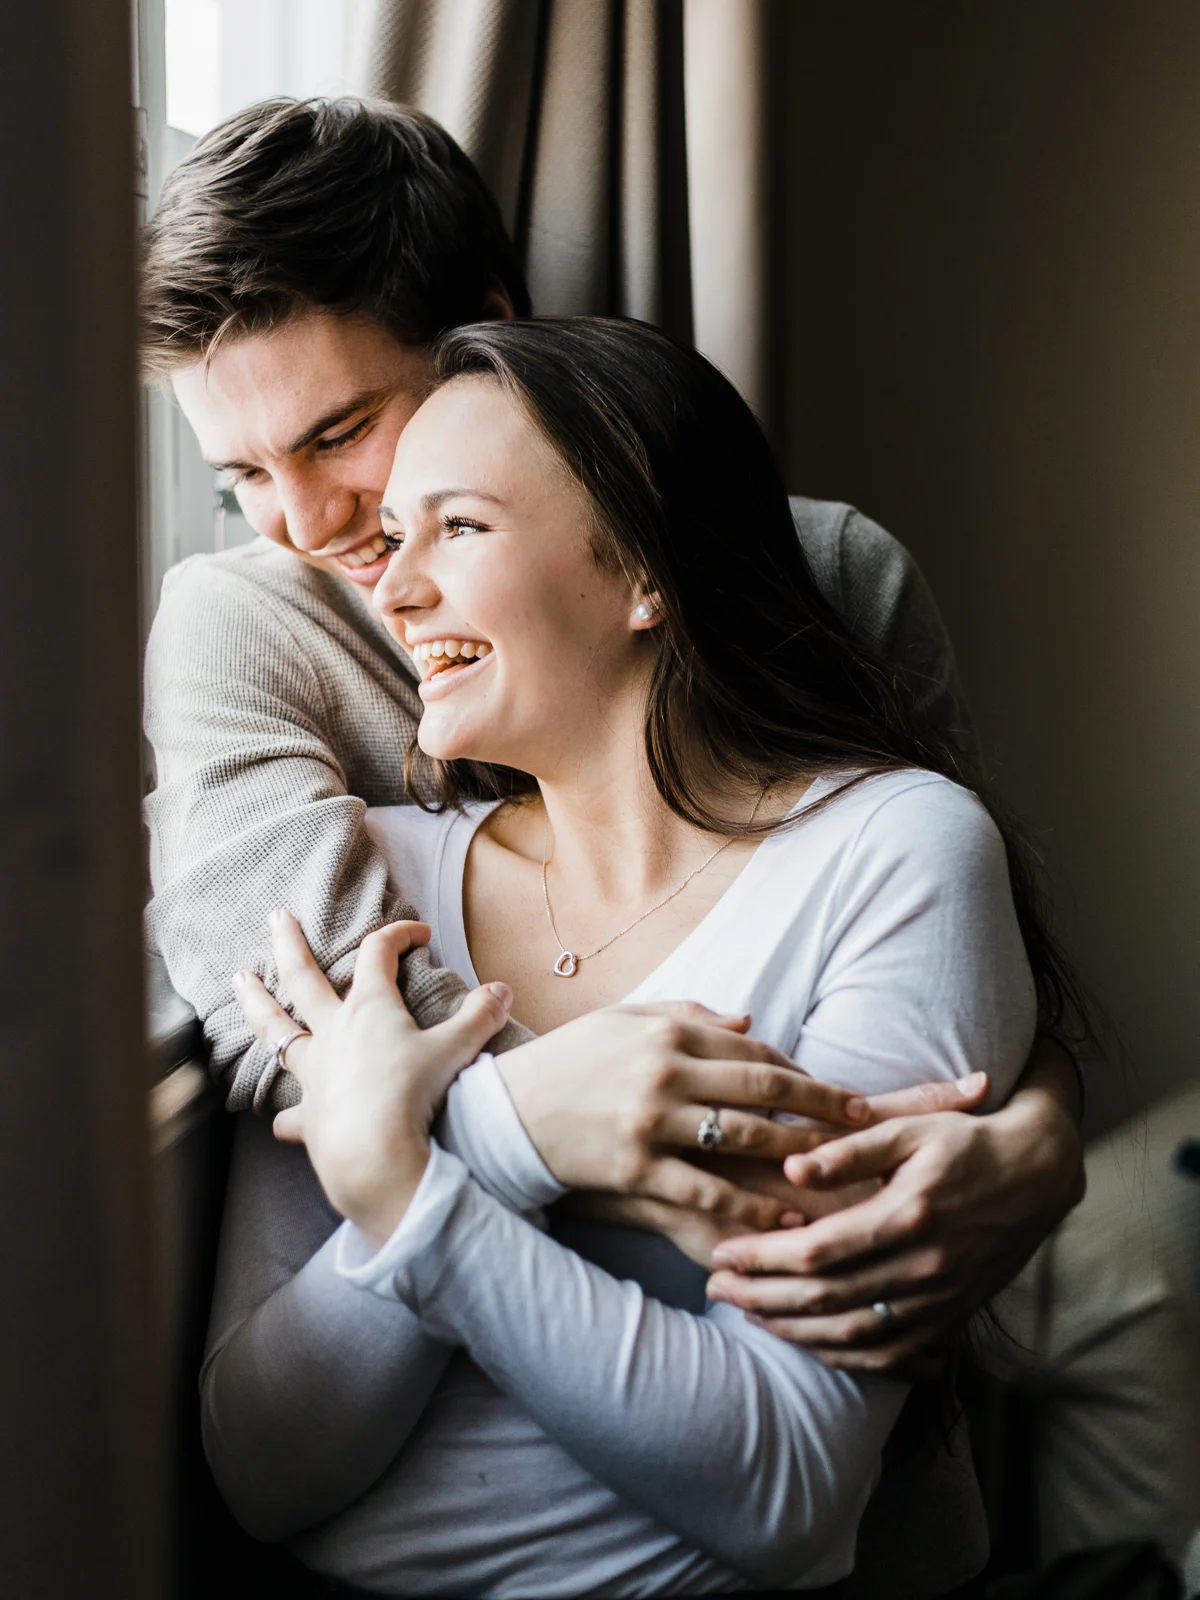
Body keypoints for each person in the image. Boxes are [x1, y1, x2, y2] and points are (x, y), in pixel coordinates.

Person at [141, 96, 1083, 1391]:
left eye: (338, 434)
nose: (303, 523)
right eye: (240, 477)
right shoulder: (239, 625)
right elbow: (300, 1025)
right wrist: (547, 1127)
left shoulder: (837, 574)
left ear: (489, 325)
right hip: (439, 1450)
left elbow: (970, 966)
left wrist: (1040, 1146)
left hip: (834, 1397)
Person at [208, 315, 1065, 1596]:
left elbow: (788, 1485)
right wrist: (507, 1137)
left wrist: (416, 1194)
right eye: (398, 537)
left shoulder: (893, 855)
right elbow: (258, 1472)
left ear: (643, 567)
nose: (389, 588)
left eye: (461, 527)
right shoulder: (364, 883)